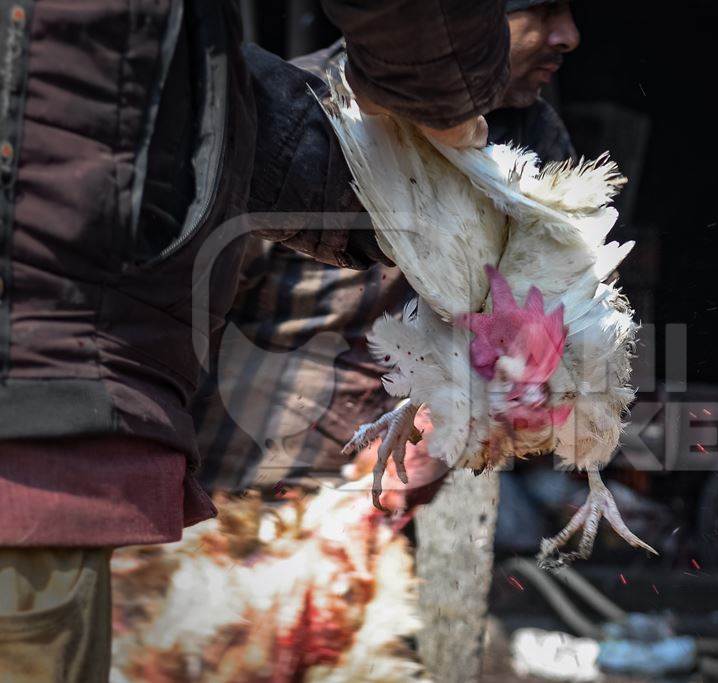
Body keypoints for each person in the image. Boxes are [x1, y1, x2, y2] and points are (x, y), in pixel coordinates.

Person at [0, 1, 509, 680]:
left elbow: (190, 101)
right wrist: (445, 101)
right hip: (105, 464)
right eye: (544, 10)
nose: (569, 35)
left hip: (215, 499)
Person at [193, 0, 582, 507]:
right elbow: (190, 309)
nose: (569, 35)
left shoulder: (536, 141)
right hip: (240, 495)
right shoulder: (294, 115)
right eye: (545, 9)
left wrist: (453, 413)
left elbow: (552, 330)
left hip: (385, 509)